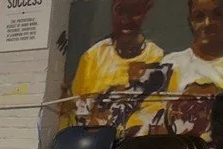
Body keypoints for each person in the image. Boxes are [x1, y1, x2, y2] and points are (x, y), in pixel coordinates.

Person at [161, 0, 223, 136]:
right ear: (190, 21)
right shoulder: (171, 64)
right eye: (199, 17)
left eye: (218, 15)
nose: (208, 23)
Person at [71, 0, 165, 129]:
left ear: (146, 12)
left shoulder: (159, 58)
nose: (126, 20)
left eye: (135, 12)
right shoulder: (93, 57)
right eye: (121, 11)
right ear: (112, 10)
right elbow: (77, 108)